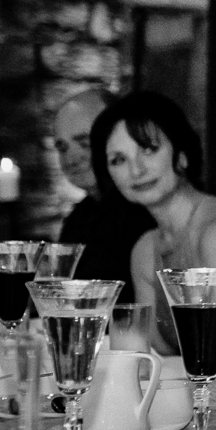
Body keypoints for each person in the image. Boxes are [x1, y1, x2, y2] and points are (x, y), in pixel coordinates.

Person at [94, 91, 216, 357]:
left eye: (148, 149)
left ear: (182, 153)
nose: (136, 170)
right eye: (119, 160)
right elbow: (154, 356)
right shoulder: (145, 251)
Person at [52, 88, 152, 296]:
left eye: (84, 143)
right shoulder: (79, 217)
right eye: (63, 148)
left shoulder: (143, 212)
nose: (71, 158)